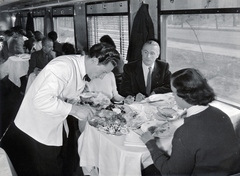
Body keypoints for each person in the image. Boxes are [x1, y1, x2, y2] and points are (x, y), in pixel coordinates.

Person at [1, 42, 120, 176]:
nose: (102, 76)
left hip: (52, 124)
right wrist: (75, 110)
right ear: (94, 60)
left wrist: (79, 105)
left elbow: (64, 94)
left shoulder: (80, 66)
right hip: (35, 130)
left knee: (65, 162)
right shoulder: (62, 67)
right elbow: (41, 100)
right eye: (103, 72)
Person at [140, 68, 240, 175]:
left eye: (173, 92)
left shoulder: (184, 133)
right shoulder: (220, 114)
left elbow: (170, 173)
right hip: (228, 171)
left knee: (145, 169)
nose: (173, 97)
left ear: (185, 95)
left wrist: (150, 143)